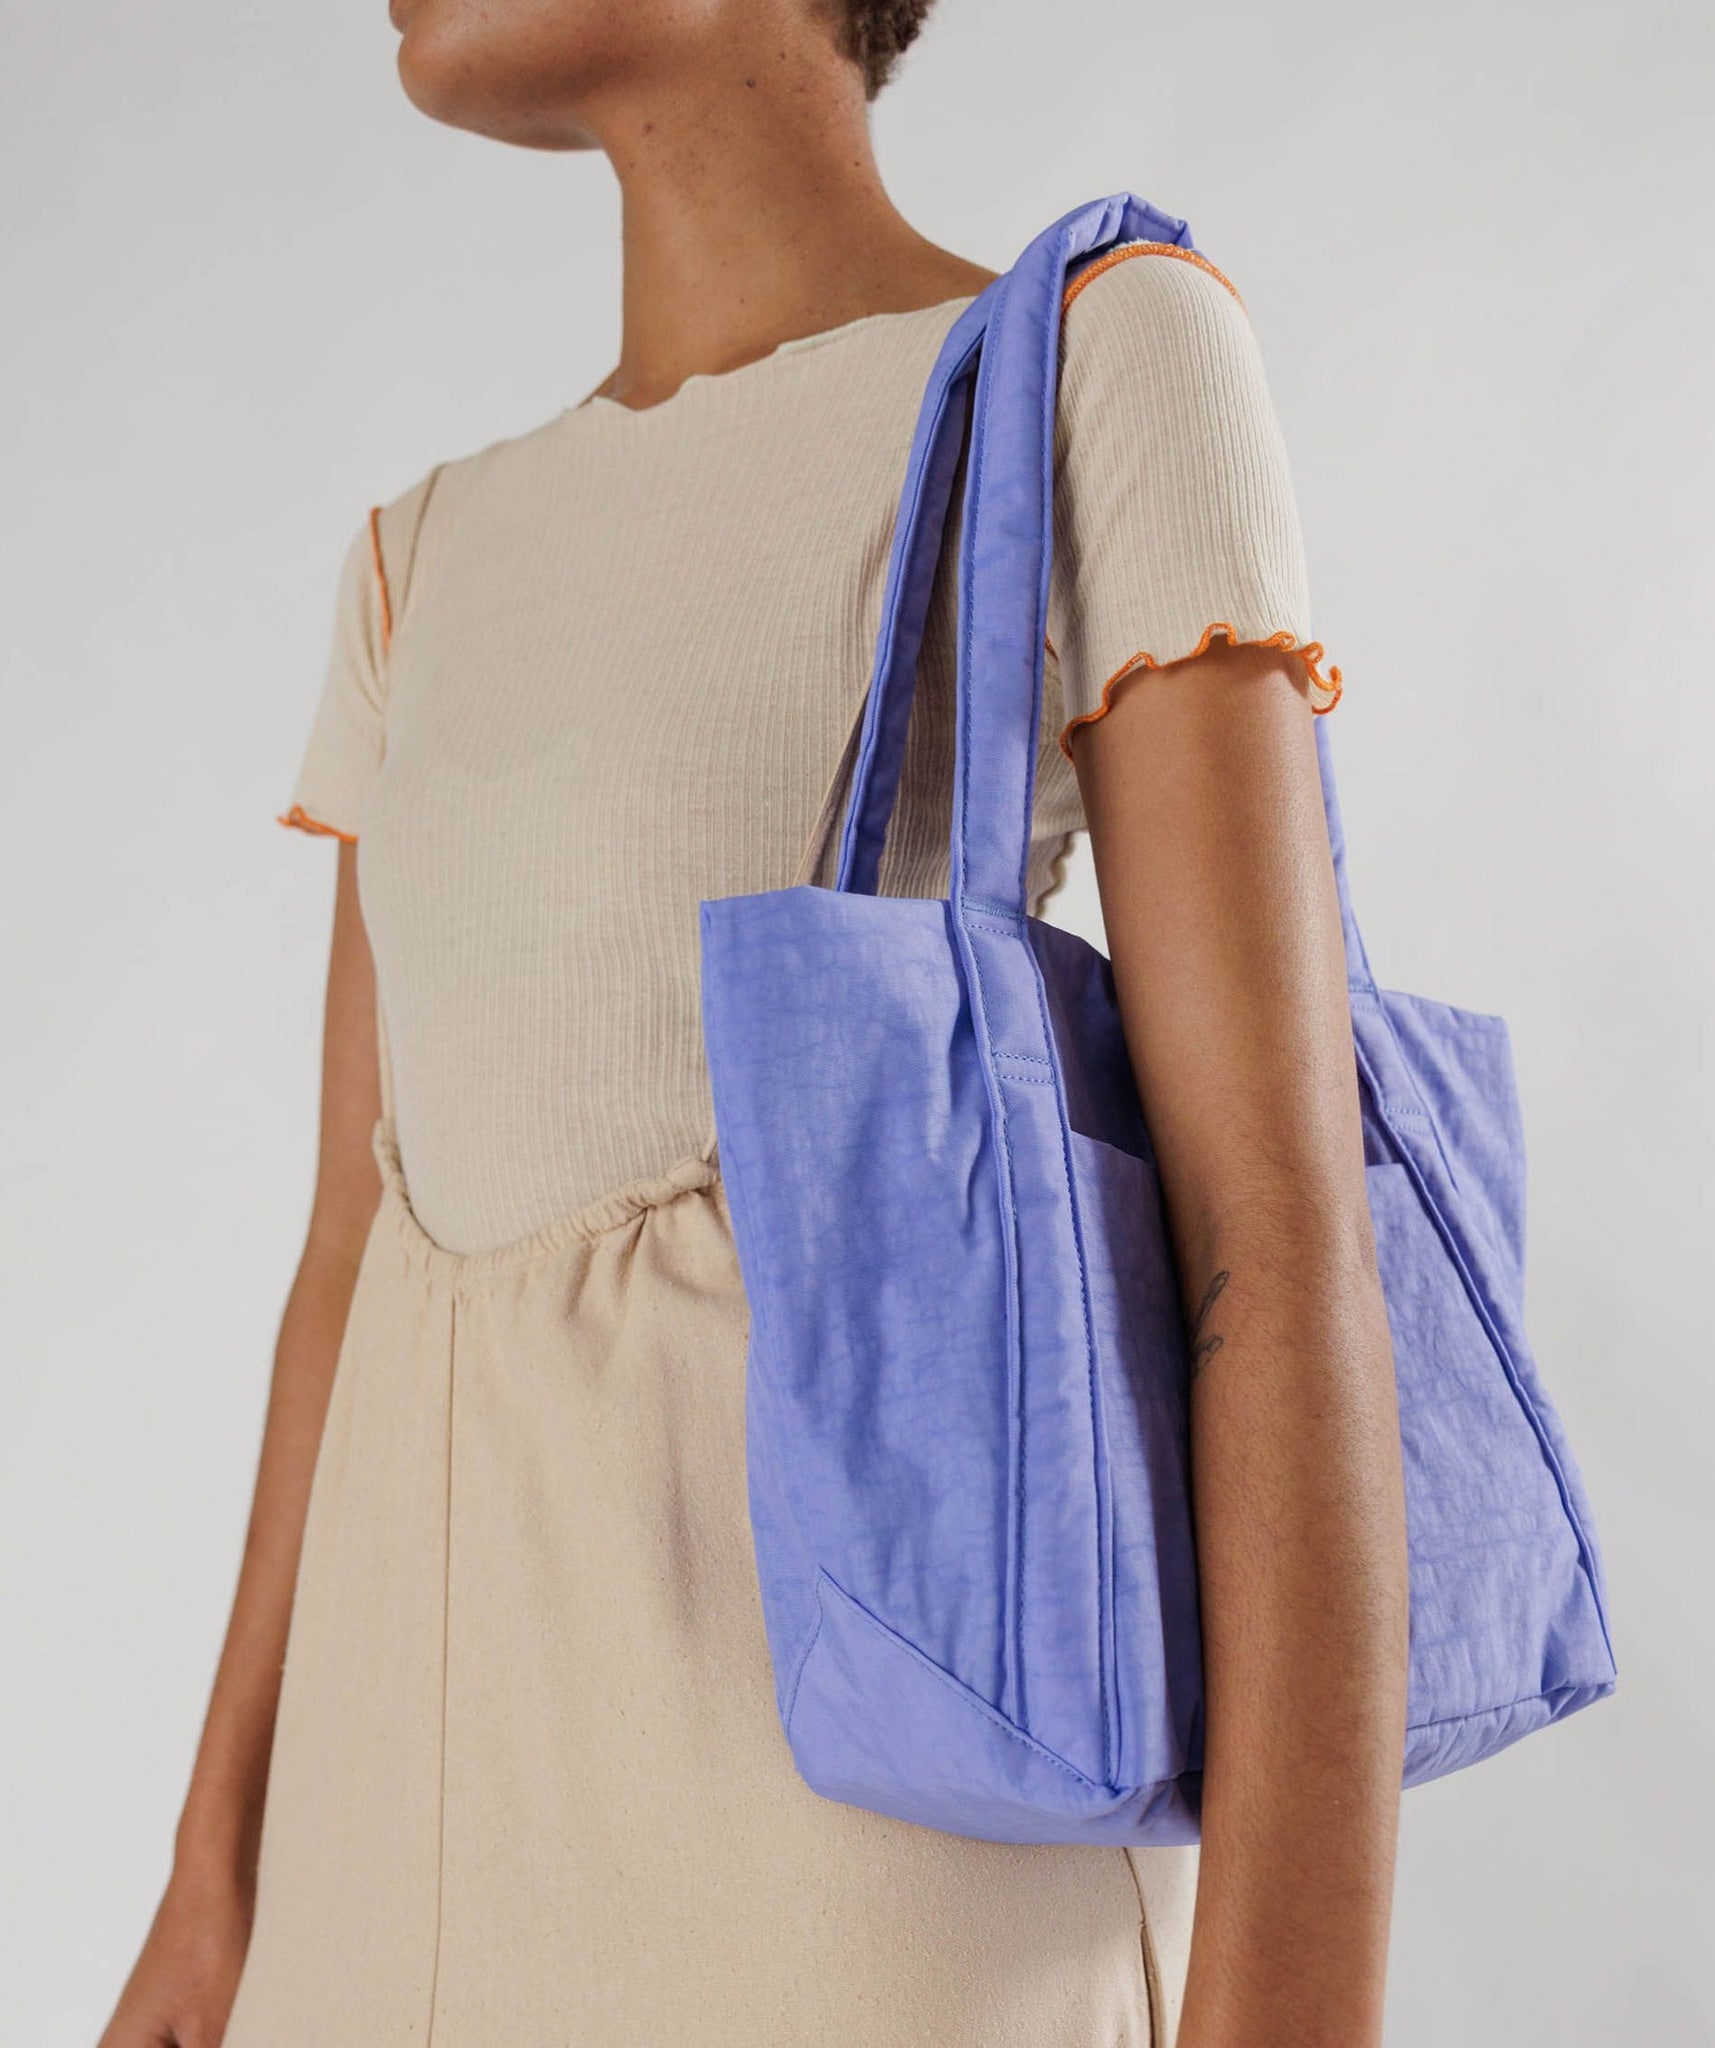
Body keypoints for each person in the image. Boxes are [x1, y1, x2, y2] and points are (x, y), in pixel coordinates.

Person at [98, 3, 1408, 2042]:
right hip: (379, 1876)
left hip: (847, 1887)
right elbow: (350, 1252)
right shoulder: (418, 562)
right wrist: (213, 1884)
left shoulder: (1091, 353)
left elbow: (1274, 1238)